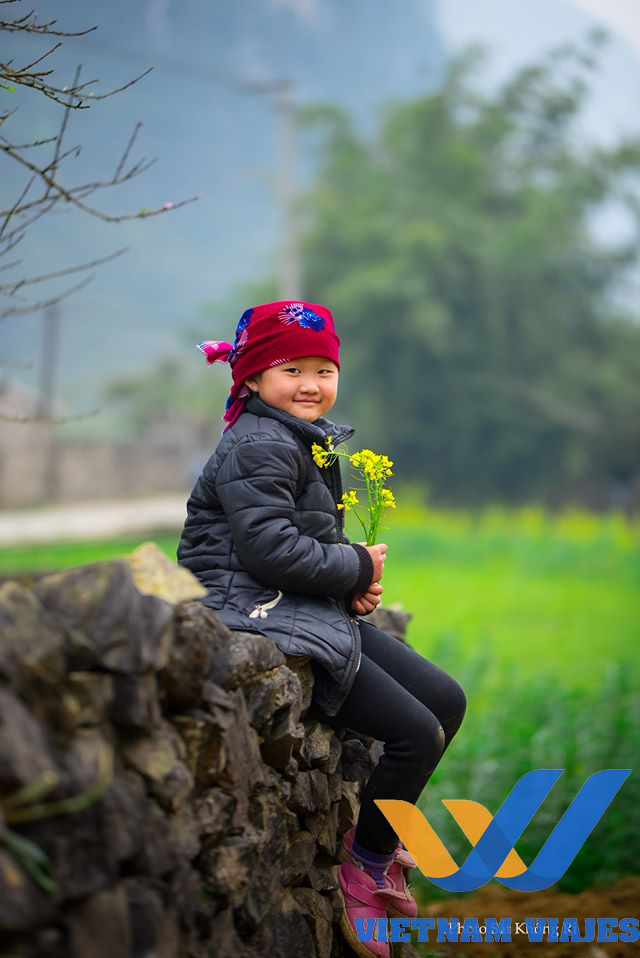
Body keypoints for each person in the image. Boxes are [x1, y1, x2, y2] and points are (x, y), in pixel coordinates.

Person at [177, 300, 467, 958]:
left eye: (324, 370)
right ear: (252, 378)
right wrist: (357, 563)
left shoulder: (295, 436)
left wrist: (347, 584)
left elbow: (301, 540)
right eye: (292, 370)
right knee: (414, 733)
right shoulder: (258, 444)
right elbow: (271, 551)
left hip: (292, 603)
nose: (311, 384)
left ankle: (379, 840)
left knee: (446, 701)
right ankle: (364, 867)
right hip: (252, 610)